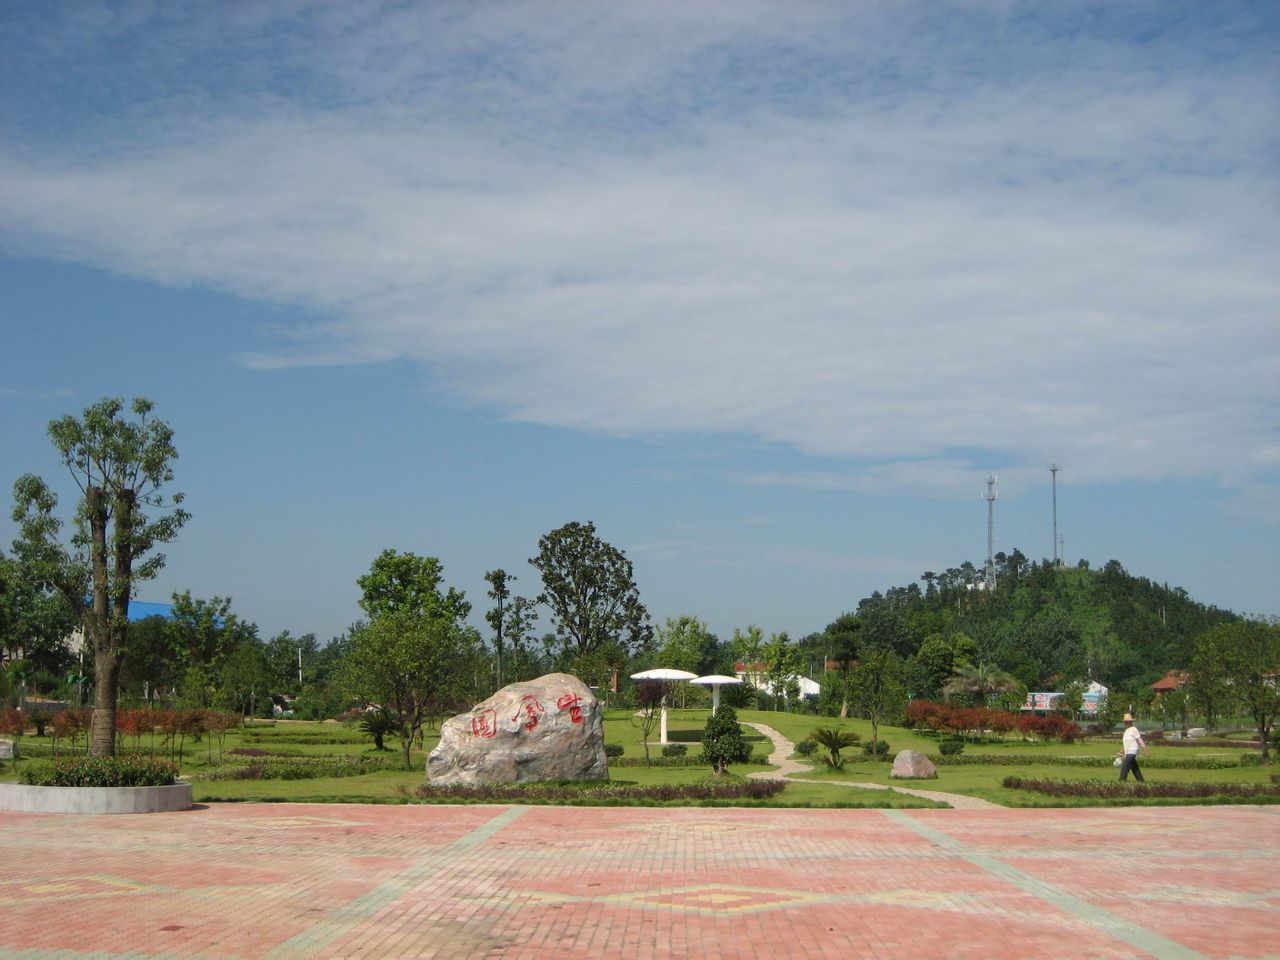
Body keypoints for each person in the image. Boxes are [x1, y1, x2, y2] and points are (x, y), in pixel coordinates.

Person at [1119, 712, 1149, 782]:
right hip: (1128, 751)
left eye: (1127, 722)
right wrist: (1123, 750)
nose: (1126, 723)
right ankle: (1141, 781)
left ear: (1131, 722)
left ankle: (1121, 782)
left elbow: (1140, 741)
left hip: (1132, 751)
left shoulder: (1134, 729)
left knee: (1125, 767)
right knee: (1135, 769)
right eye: (1125, 722)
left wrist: (1146, 751)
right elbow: (1127, 743)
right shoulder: (1126, 731)